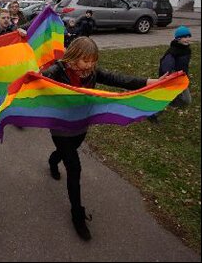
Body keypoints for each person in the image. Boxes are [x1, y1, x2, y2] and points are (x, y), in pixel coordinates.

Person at [41, 37, 166, 241]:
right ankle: (77, 215)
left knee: (65, 154)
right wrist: (35, 77)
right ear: (73, 57)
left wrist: (150, 82)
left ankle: (53, 160)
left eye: (93, 61)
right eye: (85, 60)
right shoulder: (58, 70)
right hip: (61, 127)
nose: (89, 65)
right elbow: (41, 79)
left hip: (81, 124)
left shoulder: (93, 72)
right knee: (74, 168)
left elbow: (119, 79)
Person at [148, 26, 192, 122]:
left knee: (185, 101)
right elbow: (165, 67)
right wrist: (171, 76)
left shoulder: (187, 49)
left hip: (182, 79)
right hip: (173, 80)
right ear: (177, 39)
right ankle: (153, 112)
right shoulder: (172, 52)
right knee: (185, 100)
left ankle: (155, 109)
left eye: (189, 36)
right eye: (184, 37)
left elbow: (184, 64)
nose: (187, 39)